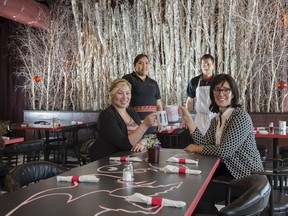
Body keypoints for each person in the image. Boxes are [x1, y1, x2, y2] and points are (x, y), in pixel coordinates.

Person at [180, 74, 264, 214]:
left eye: (226, 90)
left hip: (247, 177)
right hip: (230, 171)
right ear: (212, 93)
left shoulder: (240, 116)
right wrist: (189, 121)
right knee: (194, 183)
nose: (221, 93)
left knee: (198, 195)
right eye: (217, 90)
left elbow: (225, 150)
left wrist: (196, 148)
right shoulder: (217, 119)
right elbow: (205, 143)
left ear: (233, 93)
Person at [88, 78, 156, 161]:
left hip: (130, 159)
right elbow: (124, 145)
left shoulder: (131, 112)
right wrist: (145, 125)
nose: (125, 97)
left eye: (128, 93)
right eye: (120, 93)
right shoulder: (106, 116)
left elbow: (143, 136)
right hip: (108, 162)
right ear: (112, 95)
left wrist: (142, 143)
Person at [123, 54, 163, 133]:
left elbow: (159, 105)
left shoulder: (153, 83)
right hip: (135, 125)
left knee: (152, 144)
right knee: (136, 145)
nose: (144, 65)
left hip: (152, 126)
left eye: (147, 63)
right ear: (135, 65)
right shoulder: (128, 79)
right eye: (141, 63)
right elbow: (123, 101)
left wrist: (160, 122)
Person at [185, 54, 217, 135]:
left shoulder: (218, 81)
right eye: (203, 65)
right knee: (199, 143)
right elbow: (189, 101)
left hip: (215, 117)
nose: (206, 67)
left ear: (213, 66)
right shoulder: (194, 81)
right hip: (200, 119)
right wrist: (187, 118)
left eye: (208, 65)